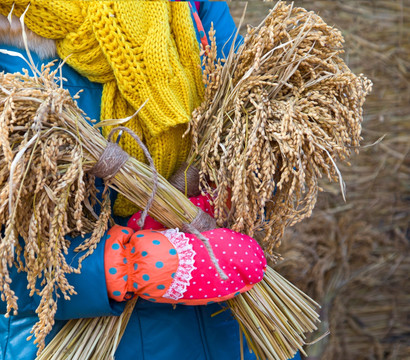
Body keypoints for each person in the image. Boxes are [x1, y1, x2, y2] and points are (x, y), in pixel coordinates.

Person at [0, 1, 301, 359]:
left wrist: (226, 206)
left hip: (225, 330)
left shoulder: (190, 7)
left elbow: (256, 131)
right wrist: (118, 268)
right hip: (75, 339)